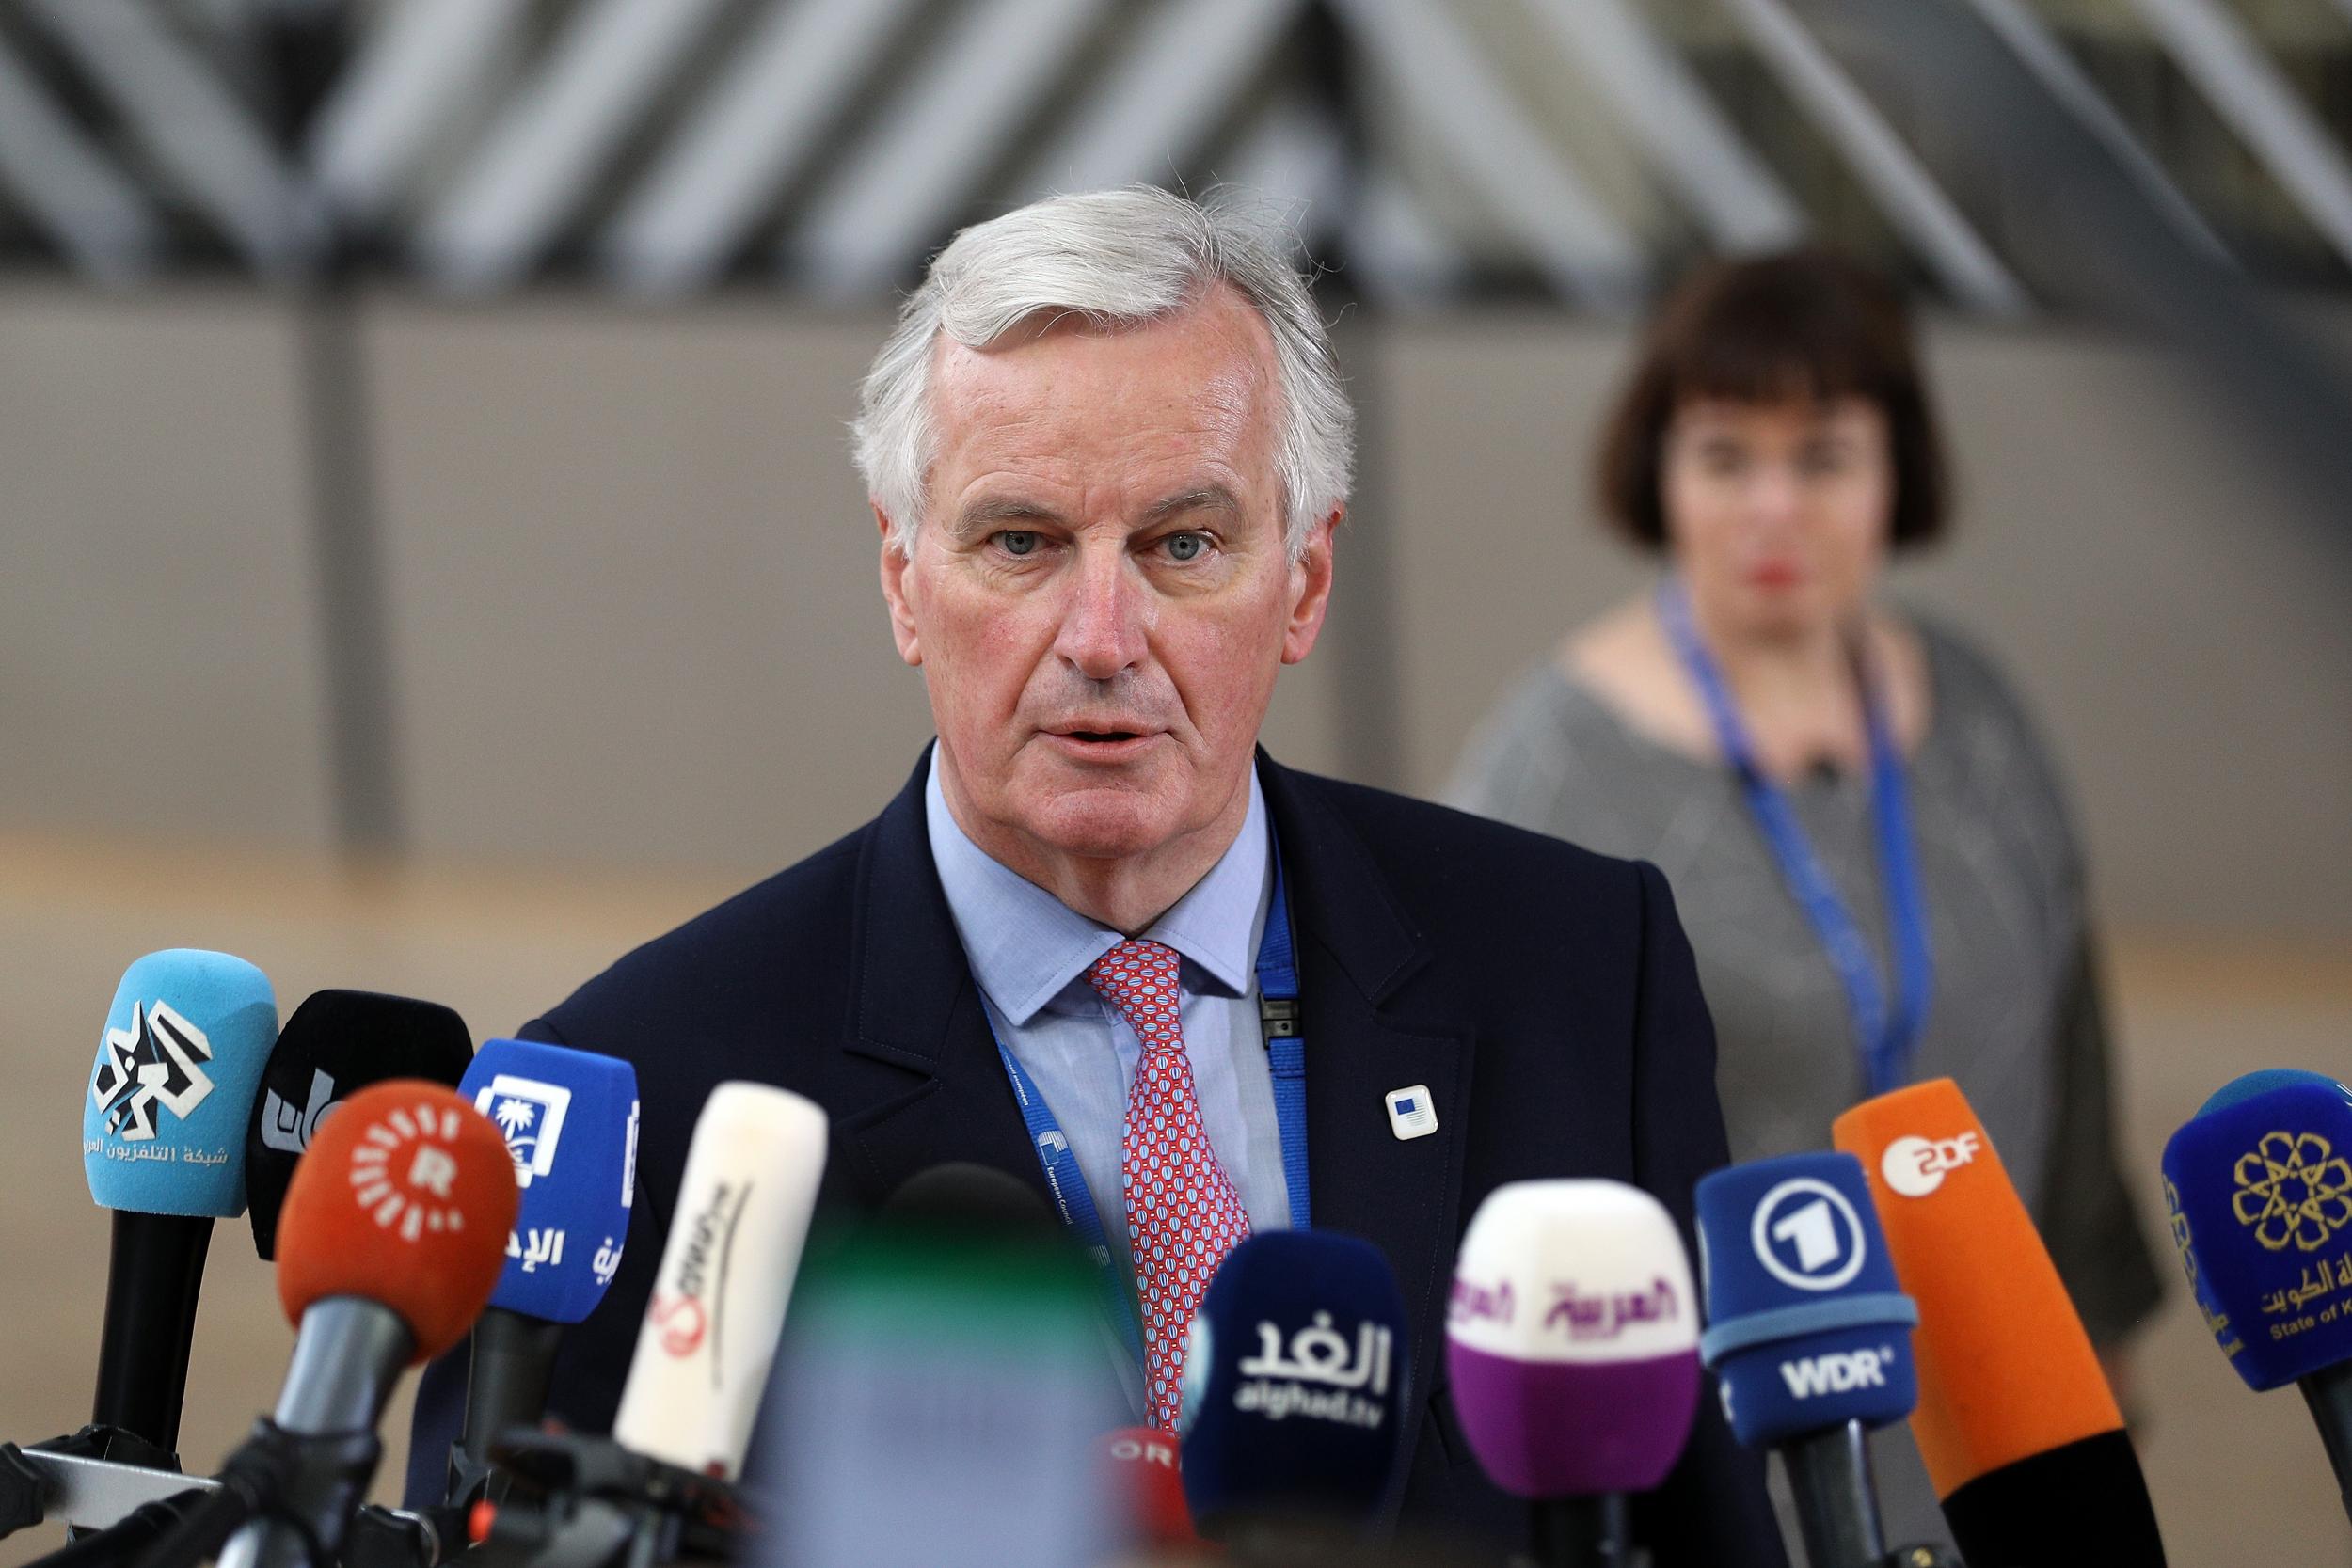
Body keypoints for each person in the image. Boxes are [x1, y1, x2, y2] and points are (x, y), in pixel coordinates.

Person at [405, 188, 1783, 1560]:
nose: (1103, 637)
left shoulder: (1582, 970)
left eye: (1184, 545)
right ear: (901, 579)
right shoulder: (647, 1089)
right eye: (1022, 543)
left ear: (1303, 582)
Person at [1448, 249, 2165, 1547]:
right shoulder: (1546, 776)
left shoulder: (1976, 710)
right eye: (1726, 457)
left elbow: (2070, 1039)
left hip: (2001, 1410)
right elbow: (1490, 1166)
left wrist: (2096, 1349)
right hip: (1717, 1451)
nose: (1773, 507)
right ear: (1658, 471)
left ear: (1898, 471)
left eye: (1823, 456)